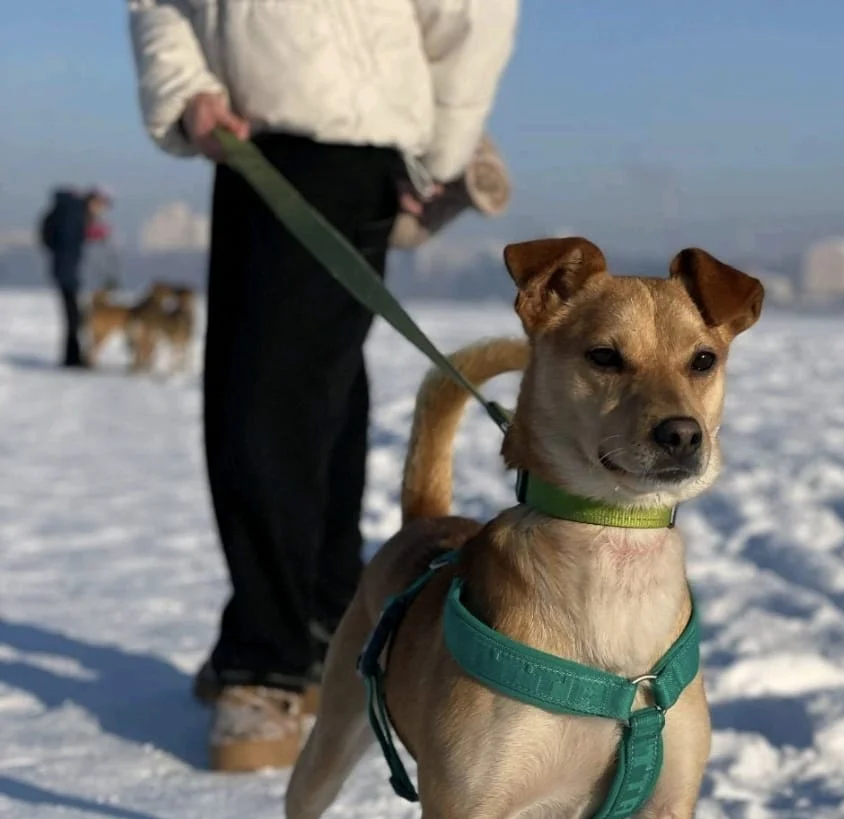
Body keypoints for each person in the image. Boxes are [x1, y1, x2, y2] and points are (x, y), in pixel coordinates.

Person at [127, 0, 518, 773]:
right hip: (244, 136)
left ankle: (271, 662)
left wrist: (435, 154)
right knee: (308, 387)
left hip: (347, 136)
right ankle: (322, 629)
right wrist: (187, 89)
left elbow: (472, 12)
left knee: (266, 406)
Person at [39, 187, 113, 368]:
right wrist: (90, 233)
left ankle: (73, 356)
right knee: (74, 316)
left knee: (73, 315)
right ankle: (72, 358)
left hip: (65, 268)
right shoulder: (75, 212)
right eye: (101, 206)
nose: (100, 212)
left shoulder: (73, 211)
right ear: (94, 201)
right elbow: (69, 240)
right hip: (67, 270)